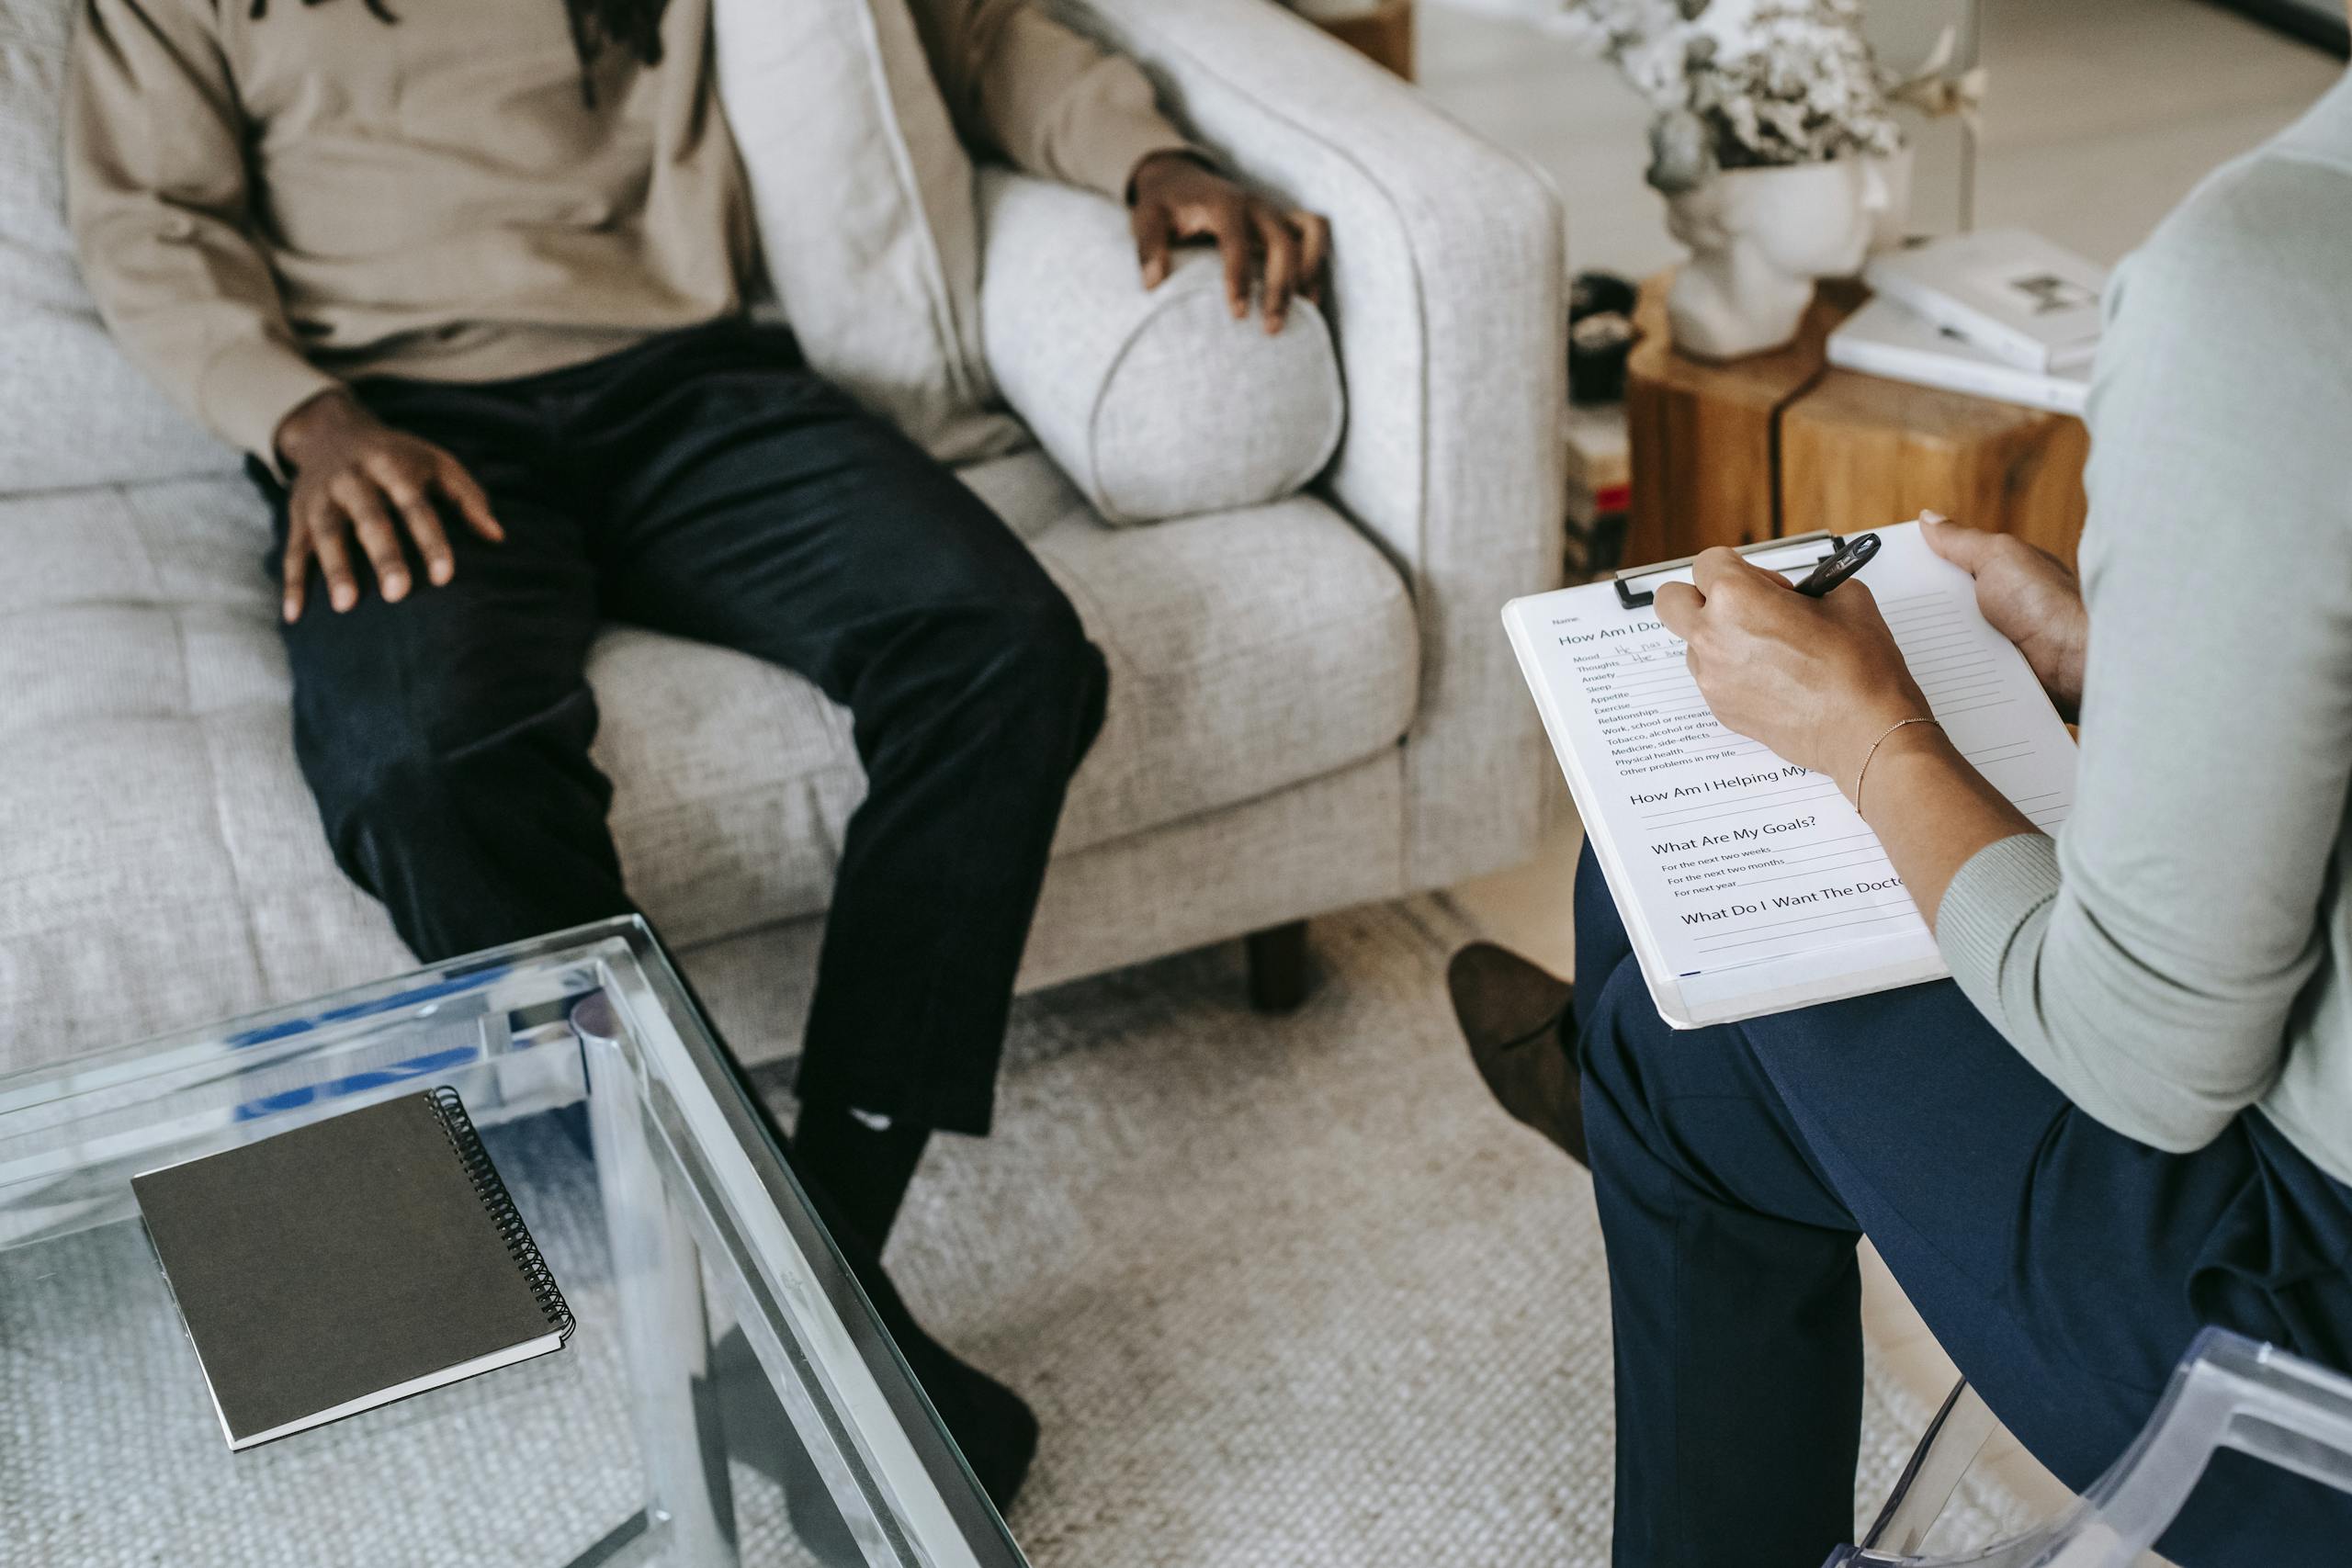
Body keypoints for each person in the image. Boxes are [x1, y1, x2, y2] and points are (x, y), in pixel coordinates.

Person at [66, 0, 1328, 1503]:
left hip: (694, 383)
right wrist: (306, 424)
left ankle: (806, 1268)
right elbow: (151, 220)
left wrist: (1150, 153)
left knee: (1003, 655)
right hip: (388, 421)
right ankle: (813, 1304)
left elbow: (976, 34)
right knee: (425, 774)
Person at [1449, 59, 2352, 1568]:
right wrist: (2137, 659)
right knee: (1683, 998)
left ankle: (1642, 1106)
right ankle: (1654, 1106)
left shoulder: (2278, 273)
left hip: (2294, 1351)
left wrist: (1867, 735)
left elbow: (2154, 1054)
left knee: (1674, 974)